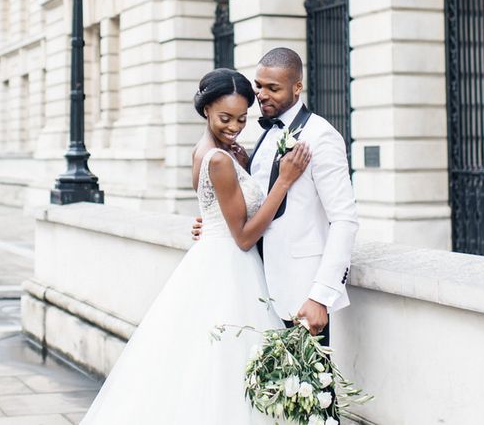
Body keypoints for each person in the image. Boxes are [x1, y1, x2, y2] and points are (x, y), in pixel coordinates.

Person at [80, 68, 312, 424]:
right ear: (206, 110)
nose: (235, 126)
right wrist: (284, 181)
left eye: (241, 118)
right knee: (225, 371)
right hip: (229, 267)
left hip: (215, 258)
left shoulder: (217, 151)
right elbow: (244, 235)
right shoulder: (217, 159)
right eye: (225, 118)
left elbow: (218, 211)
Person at [194, 47, 358, 346]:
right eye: (259, 86)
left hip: (300, 295)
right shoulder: (264, 135)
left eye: (273, 88)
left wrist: (320, 296)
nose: (262, 95)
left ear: (297, 87)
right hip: (256, 289)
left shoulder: (321, 137)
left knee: (310, 391)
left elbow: (344, 220)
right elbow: (251, 204)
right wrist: (215, 222)